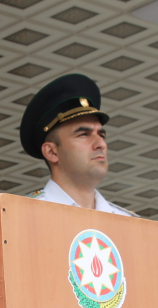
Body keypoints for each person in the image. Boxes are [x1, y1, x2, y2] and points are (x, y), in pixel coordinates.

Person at [18, 74, 134, 216]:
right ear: (51, 152)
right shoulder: (23, 215)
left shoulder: (128, 222)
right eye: (84, 134)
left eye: (101, 135)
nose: (101, 144)